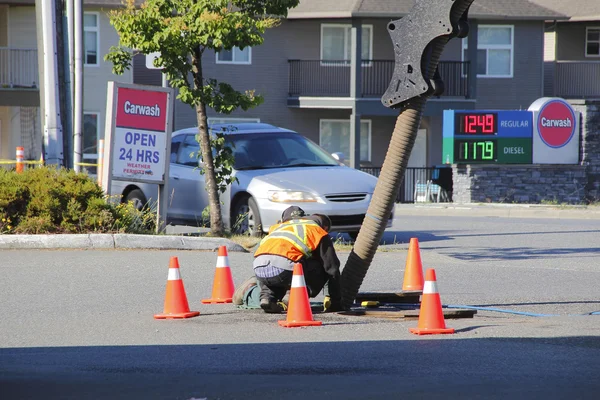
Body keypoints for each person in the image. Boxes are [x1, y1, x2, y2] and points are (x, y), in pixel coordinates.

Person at [232, 206, 344, 314]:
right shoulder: (317, 230)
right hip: (283, 268)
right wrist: (336, 303)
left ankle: (267, 298)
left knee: (281, 266)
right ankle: (293, 295)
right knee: (320, 266)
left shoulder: (279, 227)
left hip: (259, 268)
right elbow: (332, 268)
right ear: (324, 227)